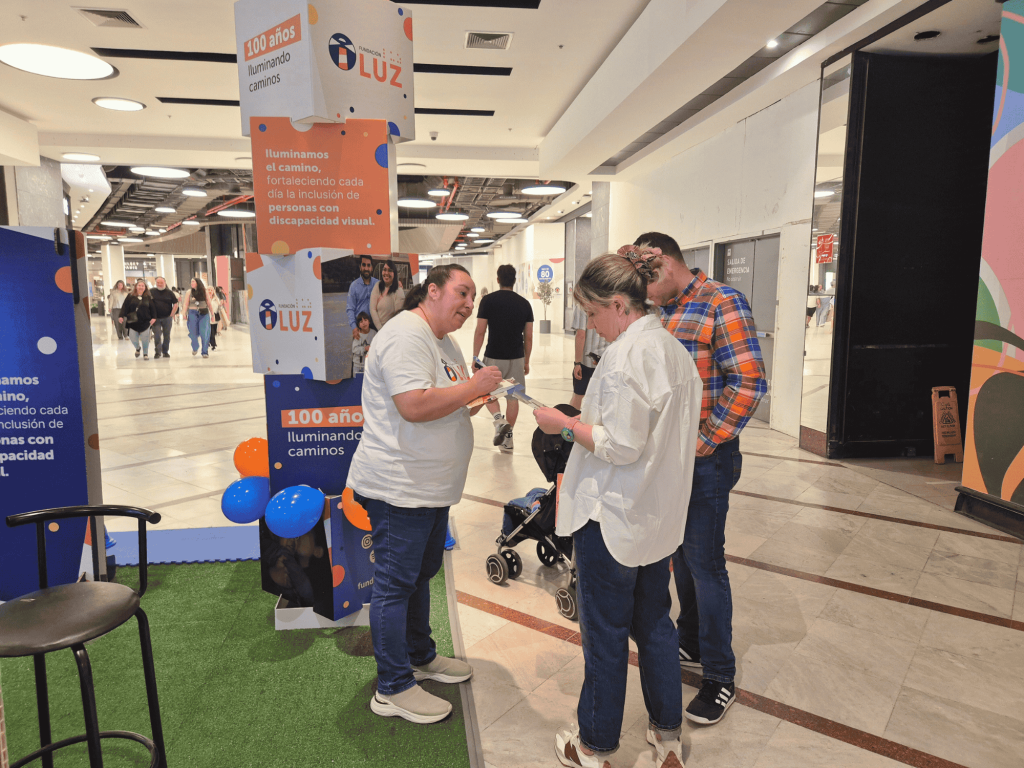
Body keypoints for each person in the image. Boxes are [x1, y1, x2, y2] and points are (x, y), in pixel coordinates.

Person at [533, 248, 700, 768]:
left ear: (620, 305)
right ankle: (667, 736)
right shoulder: (672, 350)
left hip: (612, 517)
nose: (591, 325)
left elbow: (621, 445)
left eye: (591, 313)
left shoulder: (627, 356)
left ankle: (595, 746)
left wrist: (561, 424)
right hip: (655, 517)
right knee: (654, 623)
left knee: (604, 634)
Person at [347, 264, 502, 725]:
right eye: (462, 292)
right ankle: (392, 687)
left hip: (431, 487)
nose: (469, 304)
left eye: (473, 296)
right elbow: (413, 405)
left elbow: (448, 399)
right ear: (431, 291)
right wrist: (472, 387)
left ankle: (419, 655)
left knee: (420, 575)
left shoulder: (445, 341)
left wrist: (479, 397)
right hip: (401, 488)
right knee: (396, 584)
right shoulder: (405, 335)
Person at [637, 231, 766, 726]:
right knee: (680, 556)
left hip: (706, 459)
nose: (643, 293)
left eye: (647, 280)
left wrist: (705, 440)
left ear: (665, 264)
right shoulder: (662, 312)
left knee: (705, 563)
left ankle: (719, 675)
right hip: (669, 459)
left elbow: (749, 380)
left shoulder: (720, 302)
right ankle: (689, 638)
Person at [472, 264, 534, 453]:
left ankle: (499, 420)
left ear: (498, 279)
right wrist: (526, 361)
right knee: (513, 398)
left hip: (493, 357)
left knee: (488, 394)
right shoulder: (524, 304)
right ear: (514, 281)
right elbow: (529, 336)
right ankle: (508, 438)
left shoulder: (488, 301)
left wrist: (475, 357)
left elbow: (480, 331)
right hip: (516, 358)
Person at [569, 304, 609, 411]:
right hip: (607, 359)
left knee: (578, 396)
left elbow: (581, 335)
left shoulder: (582, 304)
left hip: (588, 361)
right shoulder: (610, 300)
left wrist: (577, 363)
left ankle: (569, 426)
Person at [119, 280, 157, 359]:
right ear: (136, 287)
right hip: (133, 321)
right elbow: (124, 306)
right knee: (132, 338)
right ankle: (137, 347)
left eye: (143, 286)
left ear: (145, 288)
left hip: (145, 321)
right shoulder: (130, 296)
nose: (141, 287)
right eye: (139, 285)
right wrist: (121, 316)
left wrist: (154, 317)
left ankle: (145, 354)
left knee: (145, 338)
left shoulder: (148, 296)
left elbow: (152, 308)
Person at [347, 255, 379, 339]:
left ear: (372, 267)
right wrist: (354, 327)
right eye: (363, 265)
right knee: (359, 351)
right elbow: (350, 308)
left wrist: (398, 284)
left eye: (368, 265)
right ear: (360, 267)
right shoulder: (354, 286)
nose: (366, 268)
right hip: (360, 327)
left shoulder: (378, 284)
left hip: (376, 326)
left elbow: (389, 285)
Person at [369, 259, 406, 330]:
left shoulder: (398, 291)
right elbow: (372, 309)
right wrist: (380, 328)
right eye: (384, 269)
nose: (386, 273)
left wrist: (385, 331)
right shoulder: (377, 286)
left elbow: (398, 315)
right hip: (377, 329)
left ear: (394, 273)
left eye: (390, 270)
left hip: (390, 331)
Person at [183, 277, 212, 358]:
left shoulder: (204, 291)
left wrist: (212, 314)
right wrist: (184, 313)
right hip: (192, 313)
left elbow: (209, 303)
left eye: (193, 281)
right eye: (191, 281)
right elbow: (185, 303)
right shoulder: (189, 292)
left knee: (204, 333)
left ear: (198, 283)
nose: (191, 283)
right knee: (193, 333)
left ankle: (204, 352)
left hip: (204, 313)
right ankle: (195, 347)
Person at [150, 276, 178, 359]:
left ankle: (165, 351)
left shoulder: (169, 292)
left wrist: (172, 315)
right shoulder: (151, 291)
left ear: (165, 283)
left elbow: (175, 304)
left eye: (161, 283)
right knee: (157, 335)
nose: (159, 284)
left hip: (167, 318)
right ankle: (157, 352)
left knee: (167, 335)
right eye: (158, 282)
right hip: (156, 318)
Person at [207, 286, 221, 351]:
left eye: (211, 290)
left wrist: (215, 295)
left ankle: (210, 342)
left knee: (214, 332)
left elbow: (219, 305)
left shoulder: (215, 298)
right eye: (208, 290)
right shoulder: (205, 298)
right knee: (210, 332)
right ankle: (213, 345)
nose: (210, 291)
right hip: (206, 317)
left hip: (214, 317)